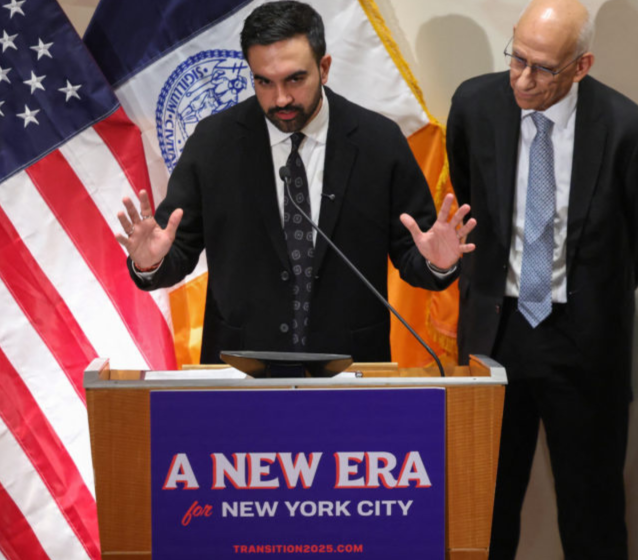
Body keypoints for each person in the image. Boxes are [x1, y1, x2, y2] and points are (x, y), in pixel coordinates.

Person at [116, 1, 475, 364]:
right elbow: (177, 251)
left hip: (351, 367)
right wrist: (150, 263)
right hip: (240, 368)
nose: (281, 98)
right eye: (264, 82)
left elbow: (414, 255)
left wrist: (438, 263)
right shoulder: (213, 143)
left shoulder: (379, 142)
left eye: (295, 79)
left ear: (324, 68)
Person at [447, 0, 638, 560]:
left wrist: (588, 295)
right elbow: (472, 203)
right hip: (495, 336)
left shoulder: (631, 132)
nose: (523, 79)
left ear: (581, 66)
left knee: (592, 518)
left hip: (583, 343)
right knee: (482, 515)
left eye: (543, 68)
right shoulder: (474, 105)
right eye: (516, 58)